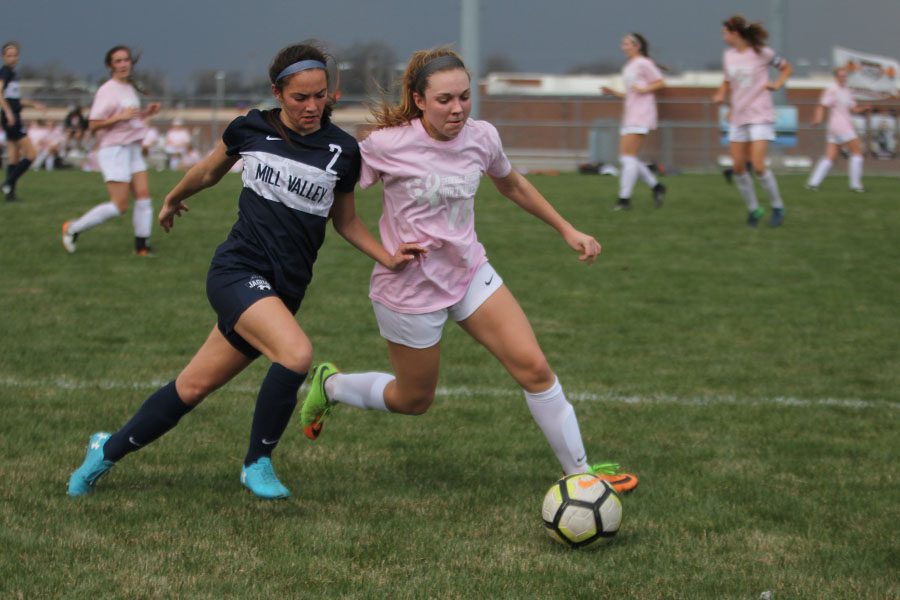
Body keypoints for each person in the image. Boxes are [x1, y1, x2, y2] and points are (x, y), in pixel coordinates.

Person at [66, 42, 413, 499]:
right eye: (300, 97)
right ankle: (257, 463)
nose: (312, 106)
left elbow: (344, 220)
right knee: (295, 354)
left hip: (285, 290)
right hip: (237, 271)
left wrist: (387, 256)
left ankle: (104, 450)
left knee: (191, 388)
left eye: (320, 96)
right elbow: (209, 171)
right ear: (277, 92)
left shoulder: (342, 150)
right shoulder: (250, 127)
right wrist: (171, 197)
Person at [299, 47, 638, 494]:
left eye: (464, 96)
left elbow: (510, 182)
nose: (457, 108)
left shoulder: (482, 137)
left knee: (535, 369)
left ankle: (580, 474)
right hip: (409, 288)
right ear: (419, 100)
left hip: (469, 273)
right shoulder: (386, 145)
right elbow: (338, 206)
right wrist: (384, 254)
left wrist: (565, 228)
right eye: (444, 100)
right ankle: (333, 385)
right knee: (413, 399)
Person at [61, 45, 161, 255]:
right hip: (114, 150)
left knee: (144, 197)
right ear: (110, 66)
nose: (123, 64)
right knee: (120, 206)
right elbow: (94, 124)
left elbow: (128, 120)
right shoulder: (107, 89)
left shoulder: (129, 87)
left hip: (132, 148)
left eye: (126, 60)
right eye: (118, 61)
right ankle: (72, 228)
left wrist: (145, 114)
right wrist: (120, 117)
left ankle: (141, 246)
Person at [712, 16, 792, 227]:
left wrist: (777, 84)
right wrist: (722, 96)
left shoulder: (762, 52)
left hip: (760, 115)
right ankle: (754, 209)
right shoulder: (728, 56)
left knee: (757, 165)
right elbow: (728, 81)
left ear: (735, 33)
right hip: (738, 116)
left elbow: (786, 67)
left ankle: (777, 206)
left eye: (724, 32)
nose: (723, 37)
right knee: (738, 167)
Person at [600, 33, 667, 210]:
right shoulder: (629, 66)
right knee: (628, 158)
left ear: (637, 46)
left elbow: (660, 82)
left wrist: (645, 88)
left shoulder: (644, 63)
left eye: (627, 43)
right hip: (630, 114)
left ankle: (624, 199)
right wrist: (613, 92)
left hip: (642, 114)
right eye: (623, 43)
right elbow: (631, 93)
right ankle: (656, 186)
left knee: (627, 157)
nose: (623, 46)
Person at [806, 67, 870, 192]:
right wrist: (817, 119)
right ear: (836, 77)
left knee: (829, 157)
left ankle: (813, 183)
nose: (843, 78)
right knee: (857, 152)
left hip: (837, 127)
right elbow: (822, 105)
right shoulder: (832, 89)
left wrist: (864, 108)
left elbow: (853, 109)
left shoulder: (847, 91)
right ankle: (855, 185)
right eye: (841, 76)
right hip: (840, 125)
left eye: (845, 76)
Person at [1, 41, 46, 201]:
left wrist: (33, 104)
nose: (13, 58)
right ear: (3, 57)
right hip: (11, 118)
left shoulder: (13, 74)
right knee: (32, 154)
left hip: (13, 116)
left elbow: (14, 100)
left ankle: (10, 194)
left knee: (13, 156)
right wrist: (8, 113)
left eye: (15, 55)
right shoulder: (5, 72)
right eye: (9, 55)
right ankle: (8, 182)